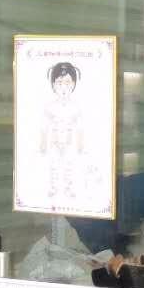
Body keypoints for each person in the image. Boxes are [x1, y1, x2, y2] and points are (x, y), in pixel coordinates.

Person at [40, 61, 84, 202]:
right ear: (53, 84)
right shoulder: (50, 107)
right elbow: (44, 127)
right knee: (53, 166)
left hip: (70, 142)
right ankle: (53, 188)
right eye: (59, 83)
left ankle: (68, 189)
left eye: (67, 82)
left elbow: (80, 128)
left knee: (69, 166)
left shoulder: (76, 107)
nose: (63, 87)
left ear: (73, 84)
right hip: (54, 142)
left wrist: (80, 144)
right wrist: (43, 143)